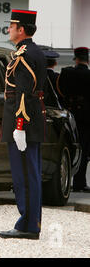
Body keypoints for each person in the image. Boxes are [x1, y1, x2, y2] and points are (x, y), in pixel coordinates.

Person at [0, 9, 47, 240]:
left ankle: (27, 225)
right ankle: (31, 223)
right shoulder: (28, 51)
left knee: (25, 176)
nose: (8, 29)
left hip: (24, 124)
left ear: (22, 29)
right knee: (30, 174)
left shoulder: (25, 55)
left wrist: (19, 125)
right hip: (30, 122)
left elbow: (24, 94)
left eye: (12, 26)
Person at [57, 47, 90, 192]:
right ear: (87, 60)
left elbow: (59, 91)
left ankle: (64, 181)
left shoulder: (66, 72)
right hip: (86, 117)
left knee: (66, 146)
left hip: (70, 114)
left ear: (76, 59)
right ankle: (79, 182)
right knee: (83, 148)